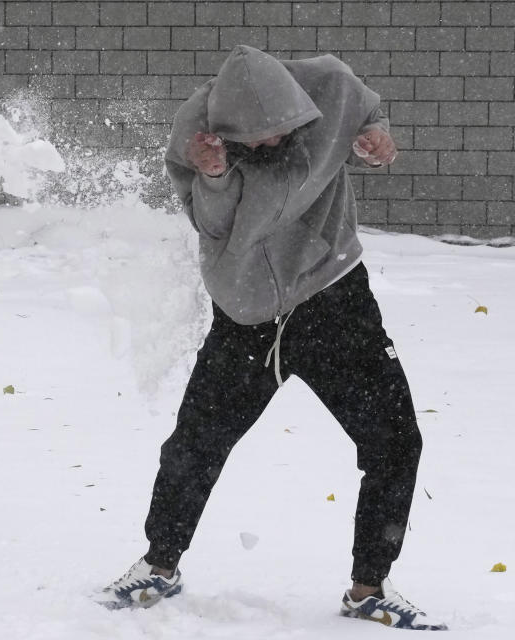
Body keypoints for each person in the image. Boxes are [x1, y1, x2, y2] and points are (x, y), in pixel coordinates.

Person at [99, 45, 447, 631]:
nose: (263, 148)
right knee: (196, 443)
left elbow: (369, 115)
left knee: (396, 440)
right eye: (248, 144)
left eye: (275, 135)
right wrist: (213, 175)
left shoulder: (332, 85)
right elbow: (211, 226)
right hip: (246, 311)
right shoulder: (196, 131)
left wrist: (377, 140)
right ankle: (159, 564)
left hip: (334, 296)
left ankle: (369, 586)